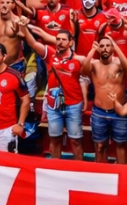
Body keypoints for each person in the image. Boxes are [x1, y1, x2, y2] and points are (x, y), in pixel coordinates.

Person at [24, 26, 85, 160]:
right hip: (54, 104)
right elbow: (33, 43)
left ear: (71, 42)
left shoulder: (79, 59)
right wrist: (23, 28)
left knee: (75, 141)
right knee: (55, 139)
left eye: (63, 40)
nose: (60, 42)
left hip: (73, 104)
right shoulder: (50, 54)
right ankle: (55, 169)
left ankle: (79, 171)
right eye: (58, 39)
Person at [82, 36, 127, 164]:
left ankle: (122, 175)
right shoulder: (94, 64)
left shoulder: (118, 63)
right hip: (99, 111)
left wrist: (117, 47)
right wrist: (92, 51)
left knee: (120, 145)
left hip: (119, 111)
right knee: (99, 146)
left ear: (112, 48)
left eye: (108, 46)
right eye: (102, 46)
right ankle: (100, 175)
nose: (105, 48)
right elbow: (83, 71)